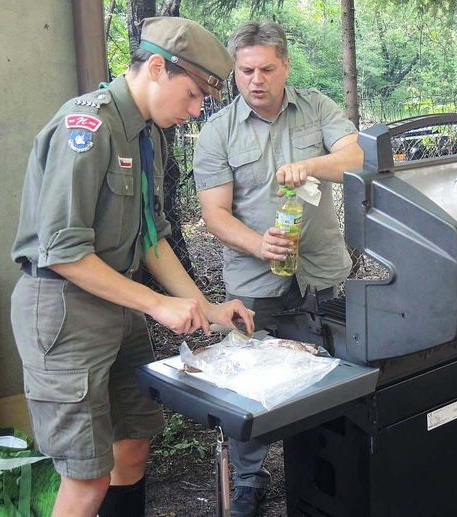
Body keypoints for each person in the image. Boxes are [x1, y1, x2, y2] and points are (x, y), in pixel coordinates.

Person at [10, 17, 255, 517]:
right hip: (63, 310)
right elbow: (63, 250)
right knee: (86, 477)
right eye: (191, 96)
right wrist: (158, 304)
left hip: (118, 305)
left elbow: (151, 237)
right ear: (158, 68)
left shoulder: (147, 135)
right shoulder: (88, 127)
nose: (193, 112)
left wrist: (205, 309)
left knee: (133, 445)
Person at [192, 20, 363, 517]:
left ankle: (327, 467)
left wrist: (311, 166)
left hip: (321, 271)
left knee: (330, 368)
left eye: (267, 68)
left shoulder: (317, 107)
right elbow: (214, 214)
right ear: (235, 72)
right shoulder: (217, 132)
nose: (256, 80)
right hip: (254, 283)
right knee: (249, 379)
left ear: (285, 65)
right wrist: (258, 244)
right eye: (246, 70)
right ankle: (249, 477)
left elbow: (356, 157)